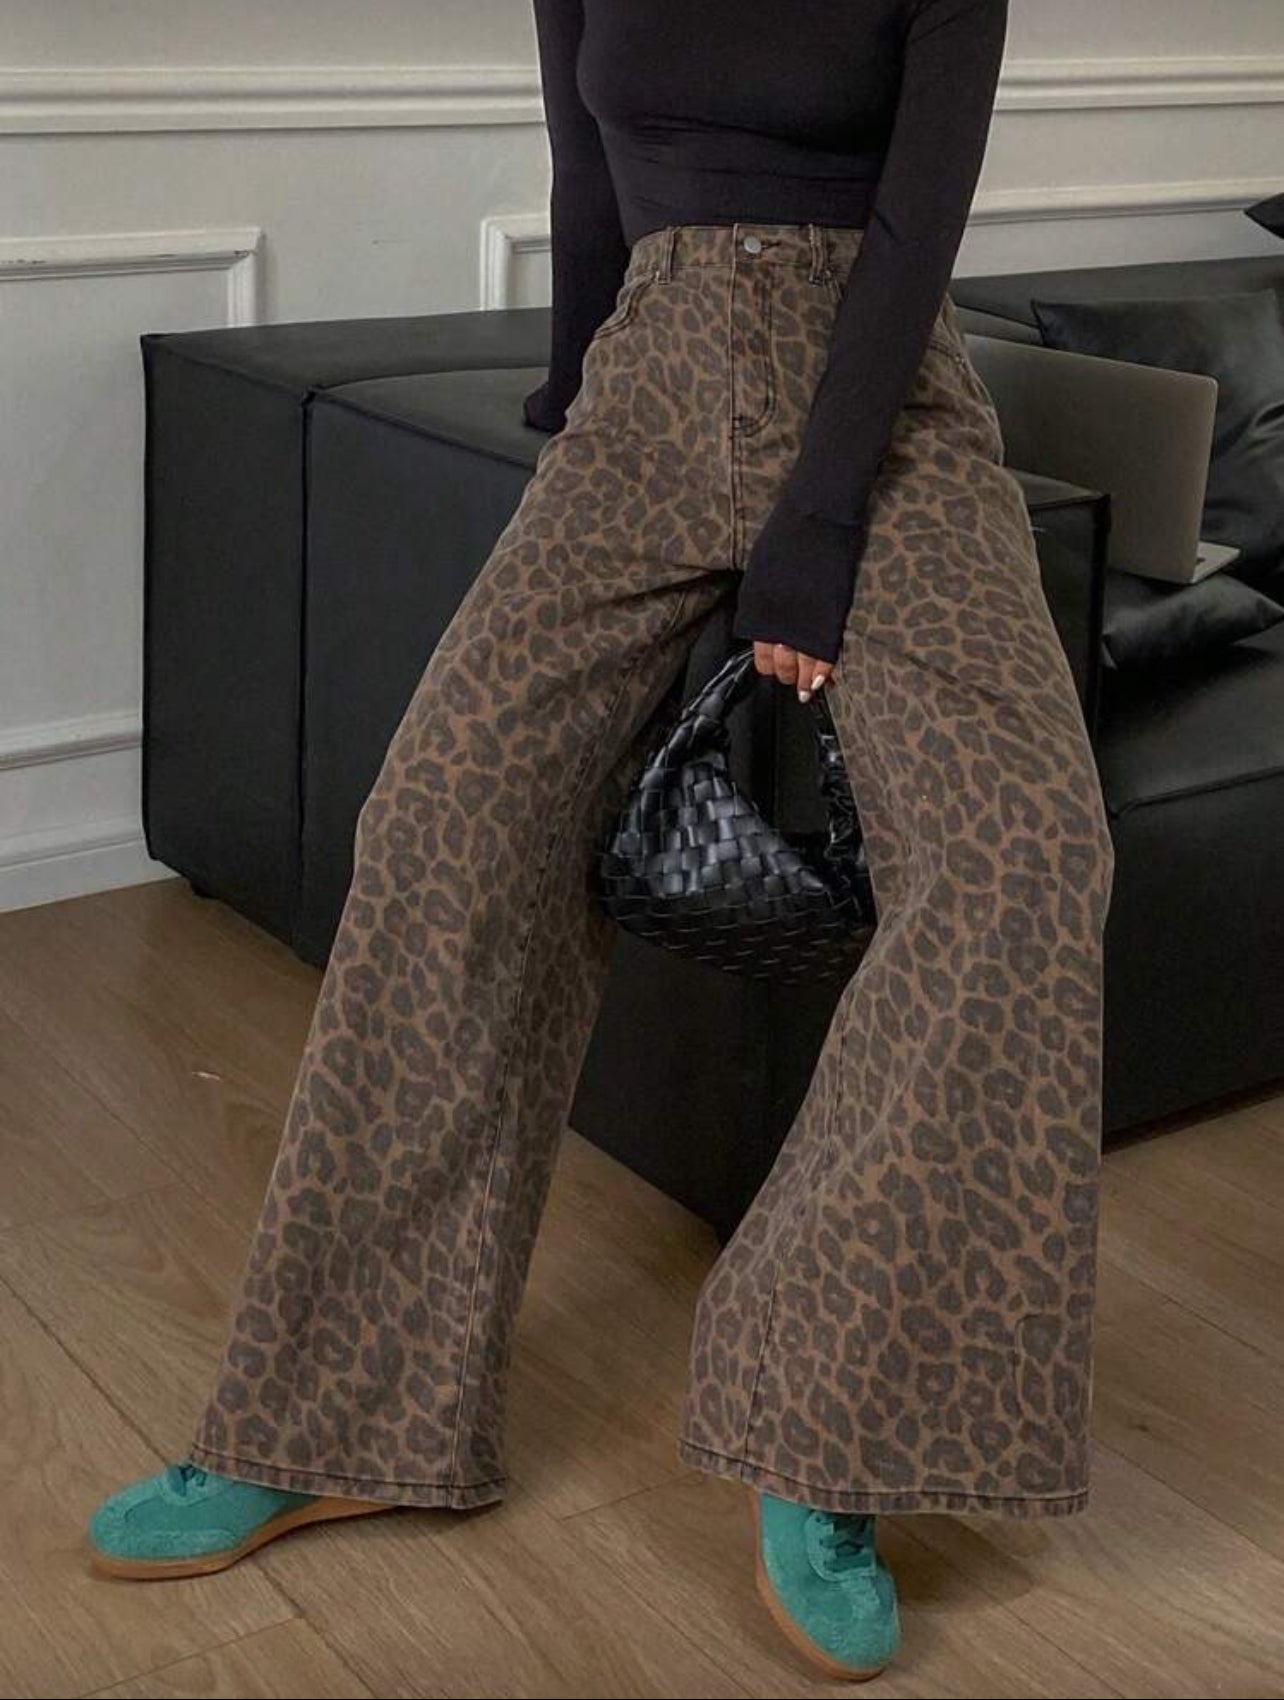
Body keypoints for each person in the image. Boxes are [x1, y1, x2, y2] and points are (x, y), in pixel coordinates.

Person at [88, 0, 1116, 1682]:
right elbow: (587, 167)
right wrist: (580, 411)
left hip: (882, 409)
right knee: (441, 824)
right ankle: (336, 1412)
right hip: (647, 388)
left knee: (1028, 855)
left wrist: (814, 524)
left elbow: (918, 223)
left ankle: (827, 1425)